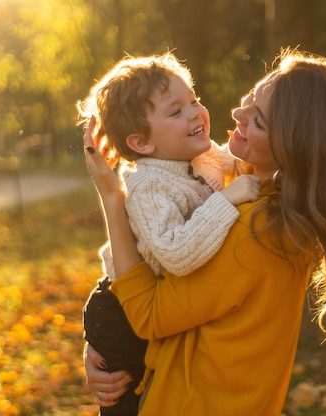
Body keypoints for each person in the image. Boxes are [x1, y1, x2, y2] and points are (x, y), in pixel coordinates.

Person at [83, 49, 326, 415]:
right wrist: (106, 345)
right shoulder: (269, 197)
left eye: (256, 120)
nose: (237, 114)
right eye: (249, 100)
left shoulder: (255, 232)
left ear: (293, 148)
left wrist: (112, 196)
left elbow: (147, 314)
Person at [77, 53, 261, 415]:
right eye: (176, 112)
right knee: (127, 404)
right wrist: (226, 200)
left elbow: (245, 165)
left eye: (193, 100)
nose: (195, 113)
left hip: (150, 303)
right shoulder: (148, 186)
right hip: (121, 315)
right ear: (142, 143)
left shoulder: (200, 156)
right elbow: (176, 253)